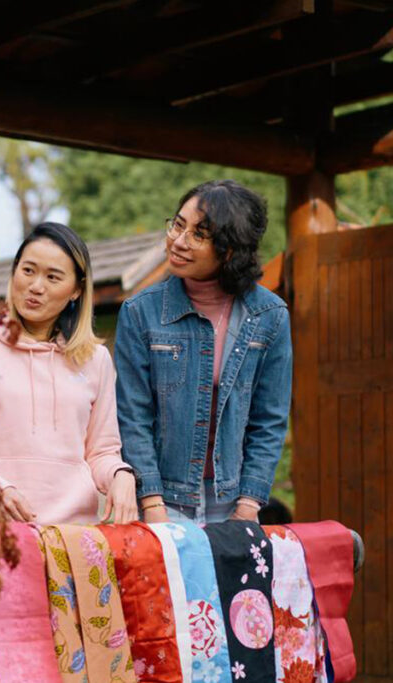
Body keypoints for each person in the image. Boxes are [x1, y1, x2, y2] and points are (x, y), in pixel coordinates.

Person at [0, 222, 138, 525]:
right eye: (28, 271)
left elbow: (101, 452)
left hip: (72, 534)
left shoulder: (96, 360)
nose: (36, 286)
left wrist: (121, 475)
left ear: (76, 290)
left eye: (53, 277)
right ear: (14, 271)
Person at [115, 179, 292, 525]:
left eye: (199, 234)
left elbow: (269, 420)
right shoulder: (140, 312)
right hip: (161, 499)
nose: (179, 241)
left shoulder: (270, 316)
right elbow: (133, 417)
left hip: (234, 500)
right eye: (178, 225)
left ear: (230, 250)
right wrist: (152, 505)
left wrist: (248, 505)